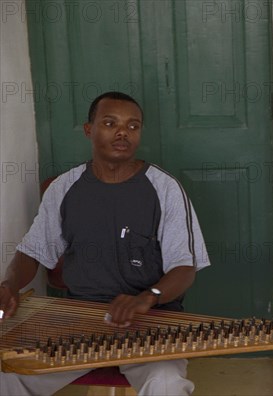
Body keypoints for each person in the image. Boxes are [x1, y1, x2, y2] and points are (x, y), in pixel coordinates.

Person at [0, 91, 210, 396]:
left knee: (166, 383)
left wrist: (147, 297)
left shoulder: (165, 188)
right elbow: (32, 253)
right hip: (78, 323)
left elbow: (184, 268)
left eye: (133, 126)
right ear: (89, 130)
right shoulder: (64, 189)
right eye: (110, 123)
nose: (123, 132)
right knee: (8, 375)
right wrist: (10, 283)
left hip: (148, 321)